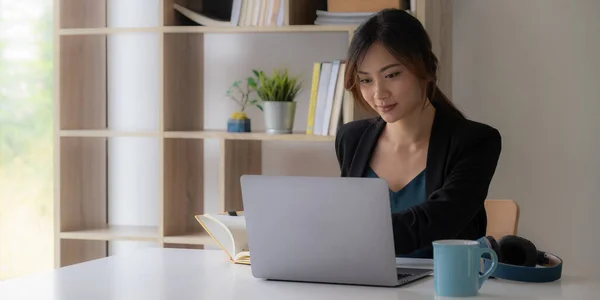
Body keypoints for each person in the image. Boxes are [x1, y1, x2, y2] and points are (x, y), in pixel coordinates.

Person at [335, 8, 502, 258]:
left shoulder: (475, 142)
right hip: (367, 287)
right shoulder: (352, 139)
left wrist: (345, 235)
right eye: (366, 80)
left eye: (391, 75)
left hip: (445, 291)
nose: (379, 93)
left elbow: (440, 220)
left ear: (425, 69)